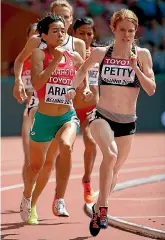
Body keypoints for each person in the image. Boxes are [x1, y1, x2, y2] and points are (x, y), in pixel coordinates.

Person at [65, 9, 156, 236]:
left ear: (135, 32)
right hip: (101, 116)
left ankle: (97, 206)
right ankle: (103, 209)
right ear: (113, 29)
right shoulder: (101, 54)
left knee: (114, 173)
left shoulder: (143, 55)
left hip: (128, 122)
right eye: (122, 29)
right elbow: (81, 71)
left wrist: (135, 67)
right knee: (110, 154)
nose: (126, 34)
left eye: (131, 30)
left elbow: (151, 89)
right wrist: (72, 87)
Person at [13, 0, 90, 222]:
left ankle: (59, 198)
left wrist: (83, 89)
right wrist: (18, 81)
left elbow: (82, 71)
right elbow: (24, 66)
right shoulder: (37, 44)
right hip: (40, 109)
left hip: (67, 112)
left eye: (66, 20)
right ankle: (29, 200)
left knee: (65, 147)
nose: (62, 26)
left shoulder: (77, 47)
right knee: (37, 164)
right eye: (58, 19)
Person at [72, 17, 99, 203]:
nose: (86, 36)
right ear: (74, 33)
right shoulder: (66, 53)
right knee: (63, 149)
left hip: (91, 109)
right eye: (81, 33)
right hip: (69, 109)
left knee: (91, 142)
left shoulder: (100, 54)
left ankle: (87, 179)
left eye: (89, 33)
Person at [20, 23, 39, 184]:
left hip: (48, 113)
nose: (37, 37)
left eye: (39, 34)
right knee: (28, 159)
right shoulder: (22, 61)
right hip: (30, 112)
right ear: (28, 38)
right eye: (33, 34)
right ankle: (28, 197)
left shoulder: (49, 57)